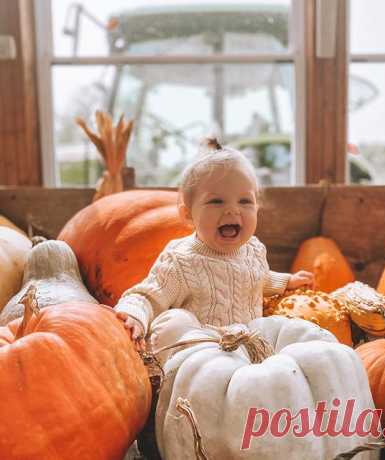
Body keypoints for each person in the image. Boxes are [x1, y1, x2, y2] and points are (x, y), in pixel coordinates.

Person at [115, 138, 314, 354]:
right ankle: (169, 374)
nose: (232, 210)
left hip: (248, 350)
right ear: (188, 213)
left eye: (244, 201)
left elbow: (257, 279)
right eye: (216, 201)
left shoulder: (254, 250)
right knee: (174, 322)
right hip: (198, 357)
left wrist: (286, 281)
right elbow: (149, 295)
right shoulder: (181, 260)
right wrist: (133, 314)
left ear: (257, 208)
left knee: (283, 329)